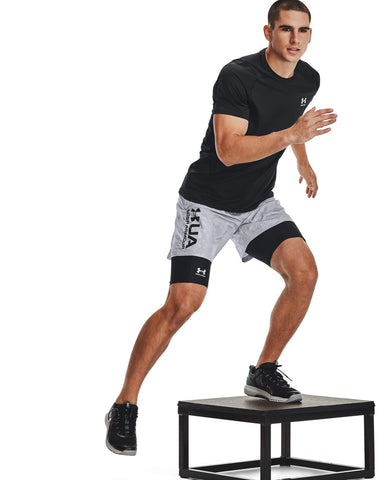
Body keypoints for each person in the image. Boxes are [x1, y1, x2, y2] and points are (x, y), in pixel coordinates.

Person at [105, 0, 337, 456]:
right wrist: (292, 137)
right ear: (268, 32)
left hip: (257, 203)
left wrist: (303, 160)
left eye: (303, 30)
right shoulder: (237, 76)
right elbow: (229, 150)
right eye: (286, 29)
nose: (295, 39)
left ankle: (263, 371)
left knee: (305, 273)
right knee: (183, 305)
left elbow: (292, 126)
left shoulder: (308, 79)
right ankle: (124, 404)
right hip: (207, 203)